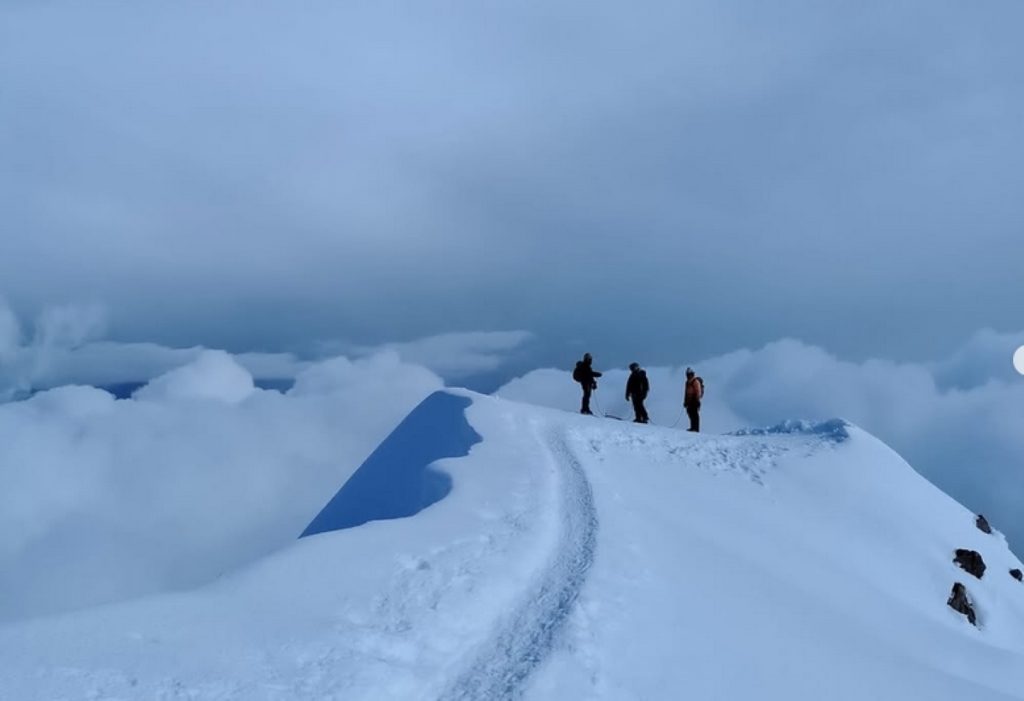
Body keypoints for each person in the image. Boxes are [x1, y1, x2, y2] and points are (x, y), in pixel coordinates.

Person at [683, 367, 704, 432]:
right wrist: (685, 401)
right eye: (687, 374)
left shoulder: (695, 381)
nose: (688, 376)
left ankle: (696, 428)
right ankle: (692, 427)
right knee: (690, 413)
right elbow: (686, 392)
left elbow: (698, 391)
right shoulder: (687, 382)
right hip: (689, 401)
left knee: (694, 414)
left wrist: (697, 400)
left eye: (689, 374)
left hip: (694, 400)